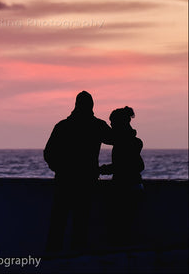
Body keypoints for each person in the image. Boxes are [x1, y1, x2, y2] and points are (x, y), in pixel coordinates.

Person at [44, 91, 113, 255]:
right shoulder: (97, 125)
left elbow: (49, 153)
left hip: (64, 181)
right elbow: (116, 139)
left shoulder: (62, 126)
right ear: (92, 106)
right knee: (80, 222)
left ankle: (52, 257)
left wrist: (61, 169)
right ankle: (76, 257)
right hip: (86, 182)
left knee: (58, 222)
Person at [99, 106, 145, 246]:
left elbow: (122, 166)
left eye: (113, 123)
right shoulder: (131, 141)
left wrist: (102, 169)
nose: (111, 126)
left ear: (120, 123)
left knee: (120, 225)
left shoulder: (124, 143)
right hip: (134, 186)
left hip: (126, 188)